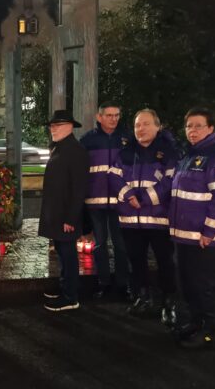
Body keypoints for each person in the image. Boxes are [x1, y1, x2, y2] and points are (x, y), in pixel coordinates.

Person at [169, 107, 215, 349]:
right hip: (186, 237)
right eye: (189, 126)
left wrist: (209, 233)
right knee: (188, 284)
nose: (193, 130)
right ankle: (194, 324)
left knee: (204, 286)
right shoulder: (189, 156)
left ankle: (208, 333)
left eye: (199, 125)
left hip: (204, 239)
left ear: (211, 128)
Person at [108, 109, 178, 325]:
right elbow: (113, 176)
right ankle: (143, 296)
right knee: (136, 261)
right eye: (138, 125)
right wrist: (129, 196)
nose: (141, 129)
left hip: (158, 220)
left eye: (146, 124)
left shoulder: (169, 152)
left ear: (158, 127)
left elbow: (170, 181)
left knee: (165, 262)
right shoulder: (126, 152)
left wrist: (145, 198)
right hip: (131, 220)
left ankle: (169, 303)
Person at [80, 101, 131, 299]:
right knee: (100, 244)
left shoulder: (127, 138)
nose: (113, 119)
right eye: (109, 115)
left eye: (117, 115)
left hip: (120, 201)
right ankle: (103, 284)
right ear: (99, 117)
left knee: (121, 245)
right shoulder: (87, 140)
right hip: (95, 202)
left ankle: (122, 285)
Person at [39, 110, 89, 311]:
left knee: (68, 255)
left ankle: (70, 296)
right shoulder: (60, 148)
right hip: (57, 213)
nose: (53, 129)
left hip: (66, 215)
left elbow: (79, 189)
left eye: (57, 125)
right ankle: (64, 287)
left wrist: (71, 218)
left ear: (70, 126)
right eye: (51, 126)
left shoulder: (76, 151)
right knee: (61, 253)